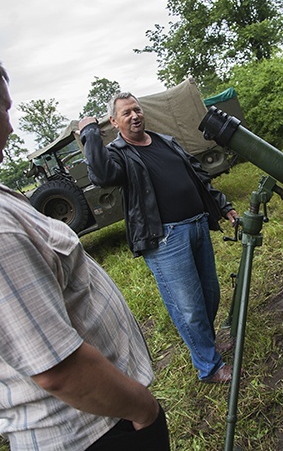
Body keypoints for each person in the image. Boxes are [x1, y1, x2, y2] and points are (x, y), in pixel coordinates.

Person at [0, 36, 170, 450]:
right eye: (5, 110)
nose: (10, 126)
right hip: (95, 429)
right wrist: (143, 410)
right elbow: (59, 369)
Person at [79, 92, 238, 384]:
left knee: (208, 295)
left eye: (136, 109)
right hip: (165, 238)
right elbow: (101, 175)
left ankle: (208, 345)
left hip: (197, 225)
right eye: (126, 113)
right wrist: (90, 133)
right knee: (188, 306)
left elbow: (199, 176)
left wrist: (223, 205)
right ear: (114, 122)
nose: (134, 116)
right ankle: (209, 367)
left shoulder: (166, 141)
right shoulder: (118, 155)